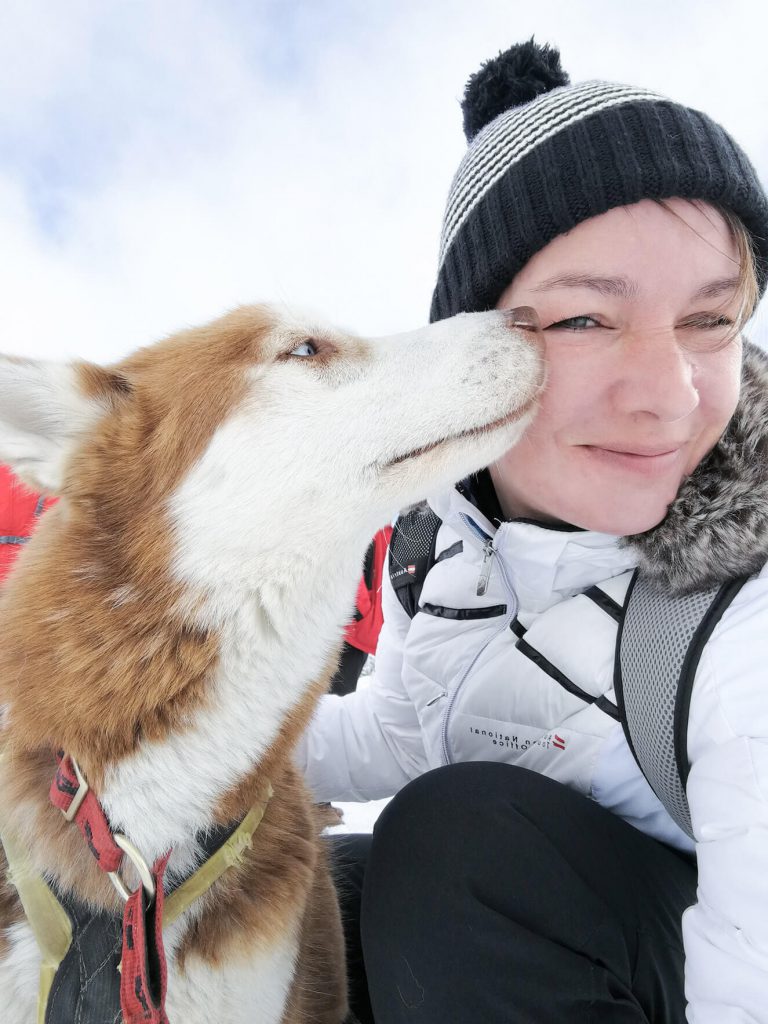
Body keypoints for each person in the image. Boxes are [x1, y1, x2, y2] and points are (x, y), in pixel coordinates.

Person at [296, 40, 768, 1023]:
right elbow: (402, 725)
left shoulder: (742, 625)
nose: (669, 396)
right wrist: (151, 732)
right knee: (316, 900)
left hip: (715, 957)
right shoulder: (450, 542)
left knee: (454, 854)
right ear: (474, 348)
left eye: (710, 320)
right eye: (590, 322)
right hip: (564, 924)